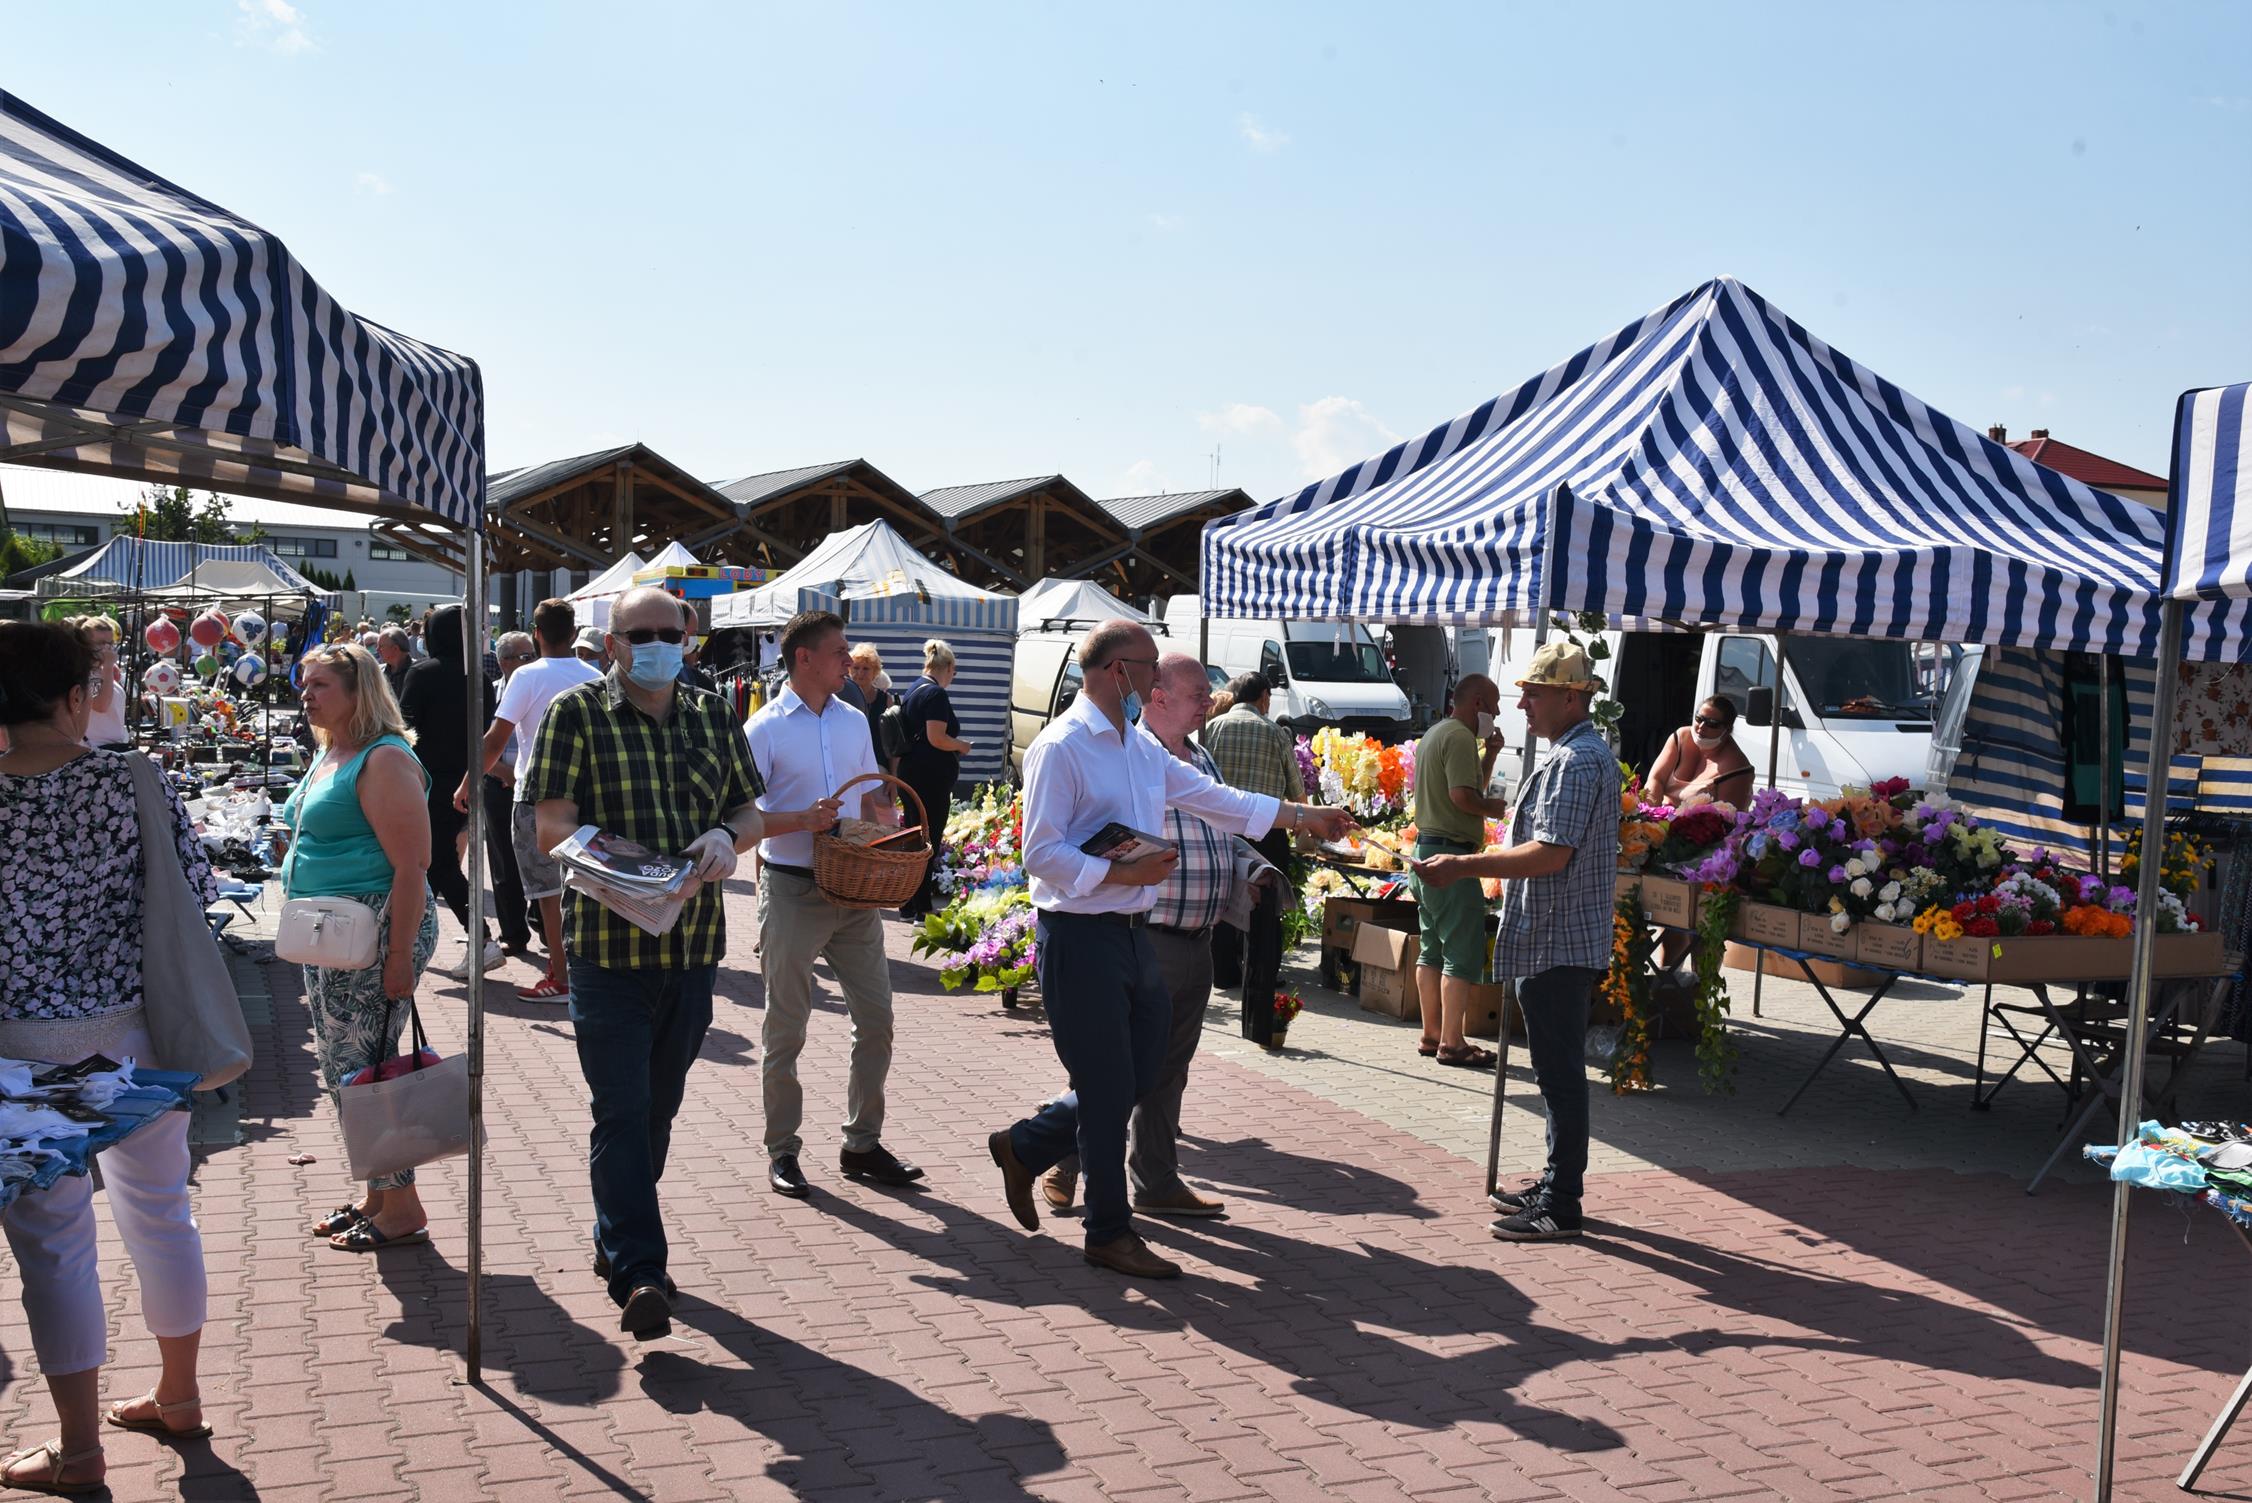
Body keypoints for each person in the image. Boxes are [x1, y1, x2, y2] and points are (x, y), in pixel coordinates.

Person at [985, 621, 1354, 1280]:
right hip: (1081, 936)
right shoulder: (1061, 746)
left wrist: (1304, 816)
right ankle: (1108, 1229)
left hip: (1131, 935)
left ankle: (1027, 1144)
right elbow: (1039, 853)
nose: (1156, 679)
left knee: (1142, 1071)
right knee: (1108, 1089)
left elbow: (1217, 801)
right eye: (1149, 666)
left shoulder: (1139, 748)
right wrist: (1120, 871)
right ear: (1117, 671)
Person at [522, 585, 772, 1339]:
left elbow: (750, 809)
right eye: (642, 634)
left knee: (657, 1108)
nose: (659, 644)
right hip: (608, 949)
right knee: (622, 1108)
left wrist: (728, 838)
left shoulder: (712, 714)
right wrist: (631, 874)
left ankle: (615, 1234)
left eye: (671, 632)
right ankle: (640, 1269)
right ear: (613, 644)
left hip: (692, 947)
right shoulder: (576, 714)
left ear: (688, 637)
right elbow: (551, 829)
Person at [0, 623, 214, 1495]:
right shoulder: (134, 778)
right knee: (163, 1213)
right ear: (76, 696)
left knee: (54, 1249)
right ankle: (180, 1395)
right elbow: (198, 890)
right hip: (137, 1034)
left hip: (21, 1049)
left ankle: (80, 1448)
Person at [1040, 655, 1275, 1221]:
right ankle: (1057, 1157)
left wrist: (1250, 866)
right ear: (1159, 695)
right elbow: (1057, 850)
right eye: (1197, 693)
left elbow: (1223, 823)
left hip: (1198, 935)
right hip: (1146, 932)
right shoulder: (1128, 753)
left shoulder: (1199, 755)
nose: (1209, 702)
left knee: (1167, 1069)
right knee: (1113, 1065)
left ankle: (1154, 1179)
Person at [1411, 642, 1620, 1242]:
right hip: (1551, 938)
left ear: (1571, 698)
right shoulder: (1573, 755)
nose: (1521, 705)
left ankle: (1562, 1202)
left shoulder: (1577, 761)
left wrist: (1464, 865)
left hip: (1558, 941)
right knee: (1555, 1074)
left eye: (1533, 694)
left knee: (1560, 1075)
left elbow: (1551, 855)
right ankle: (1556, 1185)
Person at [746, 611, 919, 1198]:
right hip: (792, 888)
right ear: (804, 658)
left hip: (855, 890)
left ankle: (861, 1144)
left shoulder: (853, 719)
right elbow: (741, 821)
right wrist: (801, 819)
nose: (850, 660)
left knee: (877, 1021)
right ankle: (782, 1149)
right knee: (786, 1028)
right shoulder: (764, 728)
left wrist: (893, 840)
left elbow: (870, 796)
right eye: (840, 651)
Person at [278, 642, 442, 1252]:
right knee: (344, 1067)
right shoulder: (333, 750)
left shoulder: (384, 758)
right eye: (304, 684)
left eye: (320, 684)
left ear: (358, 691)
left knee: (363, 1073)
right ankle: (379, 1195)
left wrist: (398, 956)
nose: (307, 695)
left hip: (373, 930)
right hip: (331, 930)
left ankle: (401, 1206)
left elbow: (413, 866)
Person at [456, 599, 601, 1004]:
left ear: (536, 634)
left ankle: (562, 976)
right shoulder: (596, 677)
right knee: (586, 887)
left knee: (547, 893)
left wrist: (468, 782)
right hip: (587, 796)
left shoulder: (526, 676)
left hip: (536, 797)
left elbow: (495, 740)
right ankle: (583, 972)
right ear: (574, 634)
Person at [1409, 672, 1510, 1068]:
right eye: (1494, 707)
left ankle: (1431, 1035)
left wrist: (1491, 755)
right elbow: (1463, 797)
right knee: (1461, 953)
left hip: (1426, 852)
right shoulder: (1460, 737)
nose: (1496, 715)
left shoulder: (1438, 732)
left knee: (1432, 949)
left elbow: (1467, 788)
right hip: (1450, 858)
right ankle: (1453, 1043)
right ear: (1478, 703)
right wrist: (1493, 809)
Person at [1199, 672, 1306, 1045]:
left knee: (1224, 899)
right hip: (1267, 829)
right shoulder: (1275, 733)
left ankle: (1223, 972)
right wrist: (1305, 820)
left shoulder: (1212, 728)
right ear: (1263, 697)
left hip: (1223, 827)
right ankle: (1261, 974)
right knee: (1265, 907)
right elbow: (1295, 788)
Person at [398, 605, 502, 981]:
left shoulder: (423, 673)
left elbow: (404, 727)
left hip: (427, 782)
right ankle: (413, 936)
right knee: (434, 862)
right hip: (467, 781)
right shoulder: (481, 679)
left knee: (437, 863)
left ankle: (482, 939)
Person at [895, 639, 972, 920]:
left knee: (914, 839)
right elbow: (936, 738)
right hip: (929, 780)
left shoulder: (914, 688)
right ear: (948, 667)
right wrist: (961, 746)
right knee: (928, 841)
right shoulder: (936, 694)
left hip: (912, 774)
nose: (953, 677)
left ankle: (908, 903)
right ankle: (922, 908)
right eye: (954, 672)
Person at [479, 632, 539, 956]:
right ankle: (514, 934)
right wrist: (503, 773)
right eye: (524, 657)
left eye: (533, 655)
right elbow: (479, 741)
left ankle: (546, 925)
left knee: (543, 858)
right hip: (499, 784)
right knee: (503, 863)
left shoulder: (540, 687)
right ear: (504, 662)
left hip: (535, 788)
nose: (531, 662)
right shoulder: (490, 694)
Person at [1645, 695, 1754, 809]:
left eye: (1712, 724)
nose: (1701, 727)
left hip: (1699, 820)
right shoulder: (1681, 737)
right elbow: (1656, 779)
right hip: (1661, 814)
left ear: (1727, 730)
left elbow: (1728, 815)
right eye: (1699, 719)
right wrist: (1651, 811)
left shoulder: (1737, 767)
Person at [68, 615, 130, 750]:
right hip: (95, 748)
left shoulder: (102, 671)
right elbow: (101, 705)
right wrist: (108, 667)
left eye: (110, 643)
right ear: (86, 644)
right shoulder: (83, 674)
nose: (107, 648)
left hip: (116, 746)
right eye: (101, 643)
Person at [847, 644, 893, 768]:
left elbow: (893, 740)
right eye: (856, 667)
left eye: (866, 668)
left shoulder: (886, 700)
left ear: (875, 672)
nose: (860, 673)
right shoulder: (840, 697)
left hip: (878, 766)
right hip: (849, 765)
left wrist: (894, 775)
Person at [376, 626, 414, 699]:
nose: (377, 650)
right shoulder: (379, 671)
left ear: (395, 648)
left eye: (381, 646)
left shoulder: (418, 671)